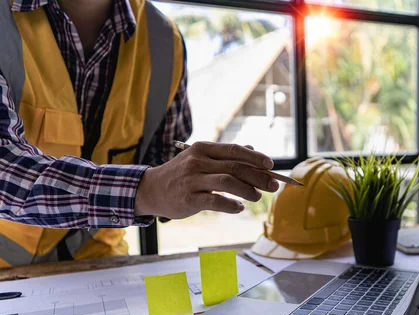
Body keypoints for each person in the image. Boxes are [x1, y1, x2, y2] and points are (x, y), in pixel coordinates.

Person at [0, 0, 279, 267]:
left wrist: (196, 173)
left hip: (101, 261)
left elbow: (164, 158)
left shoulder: (165, 42)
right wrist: (146, 189)